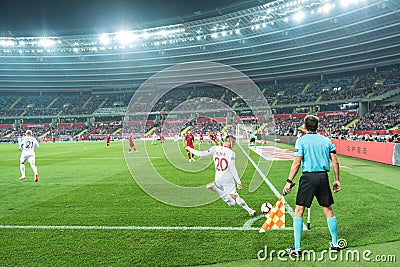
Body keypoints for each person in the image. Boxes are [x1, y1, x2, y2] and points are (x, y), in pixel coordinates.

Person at [283, 115, 341, 256]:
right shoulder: (326, 140)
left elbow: (297, 163)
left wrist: (289, 182)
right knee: (328, 209)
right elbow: (335, 161)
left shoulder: (301, 141)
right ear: (317, 126)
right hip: (323, 177)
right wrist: (337, 180)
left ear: (304, 126)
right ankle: (335, 243)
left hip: (308, 178)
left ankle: (296, 248)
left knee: (299, 211)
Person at [186, 135, 256, 216]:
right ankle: (214, 188)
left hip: (218, 178)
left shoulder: (215, 148)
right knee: (232, 202)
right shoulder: (231, 153)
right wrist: (238, 181)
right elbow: (232, 167)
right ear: (231, 143)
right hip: (227, 178)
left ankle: (250, 211)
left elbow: (201, 154)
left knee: (234, 197)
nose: (234, 146)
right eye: (234, 144)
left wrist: (189, 148)